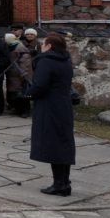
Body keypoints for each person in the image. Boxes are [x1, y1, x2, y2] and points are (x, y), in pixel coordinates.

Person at [28, 34, 76, 196]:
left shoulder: (46, 61)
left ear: (49, 46)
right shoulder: (65, 61)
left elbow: (40, 85)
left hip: (49, 106)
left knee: (53, 144)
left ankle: (59, 184)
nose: (41, 46)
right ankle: (64, 183)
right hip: (63, 106)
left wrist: (28, 93)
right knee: (62, 144)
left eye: (43, 43)